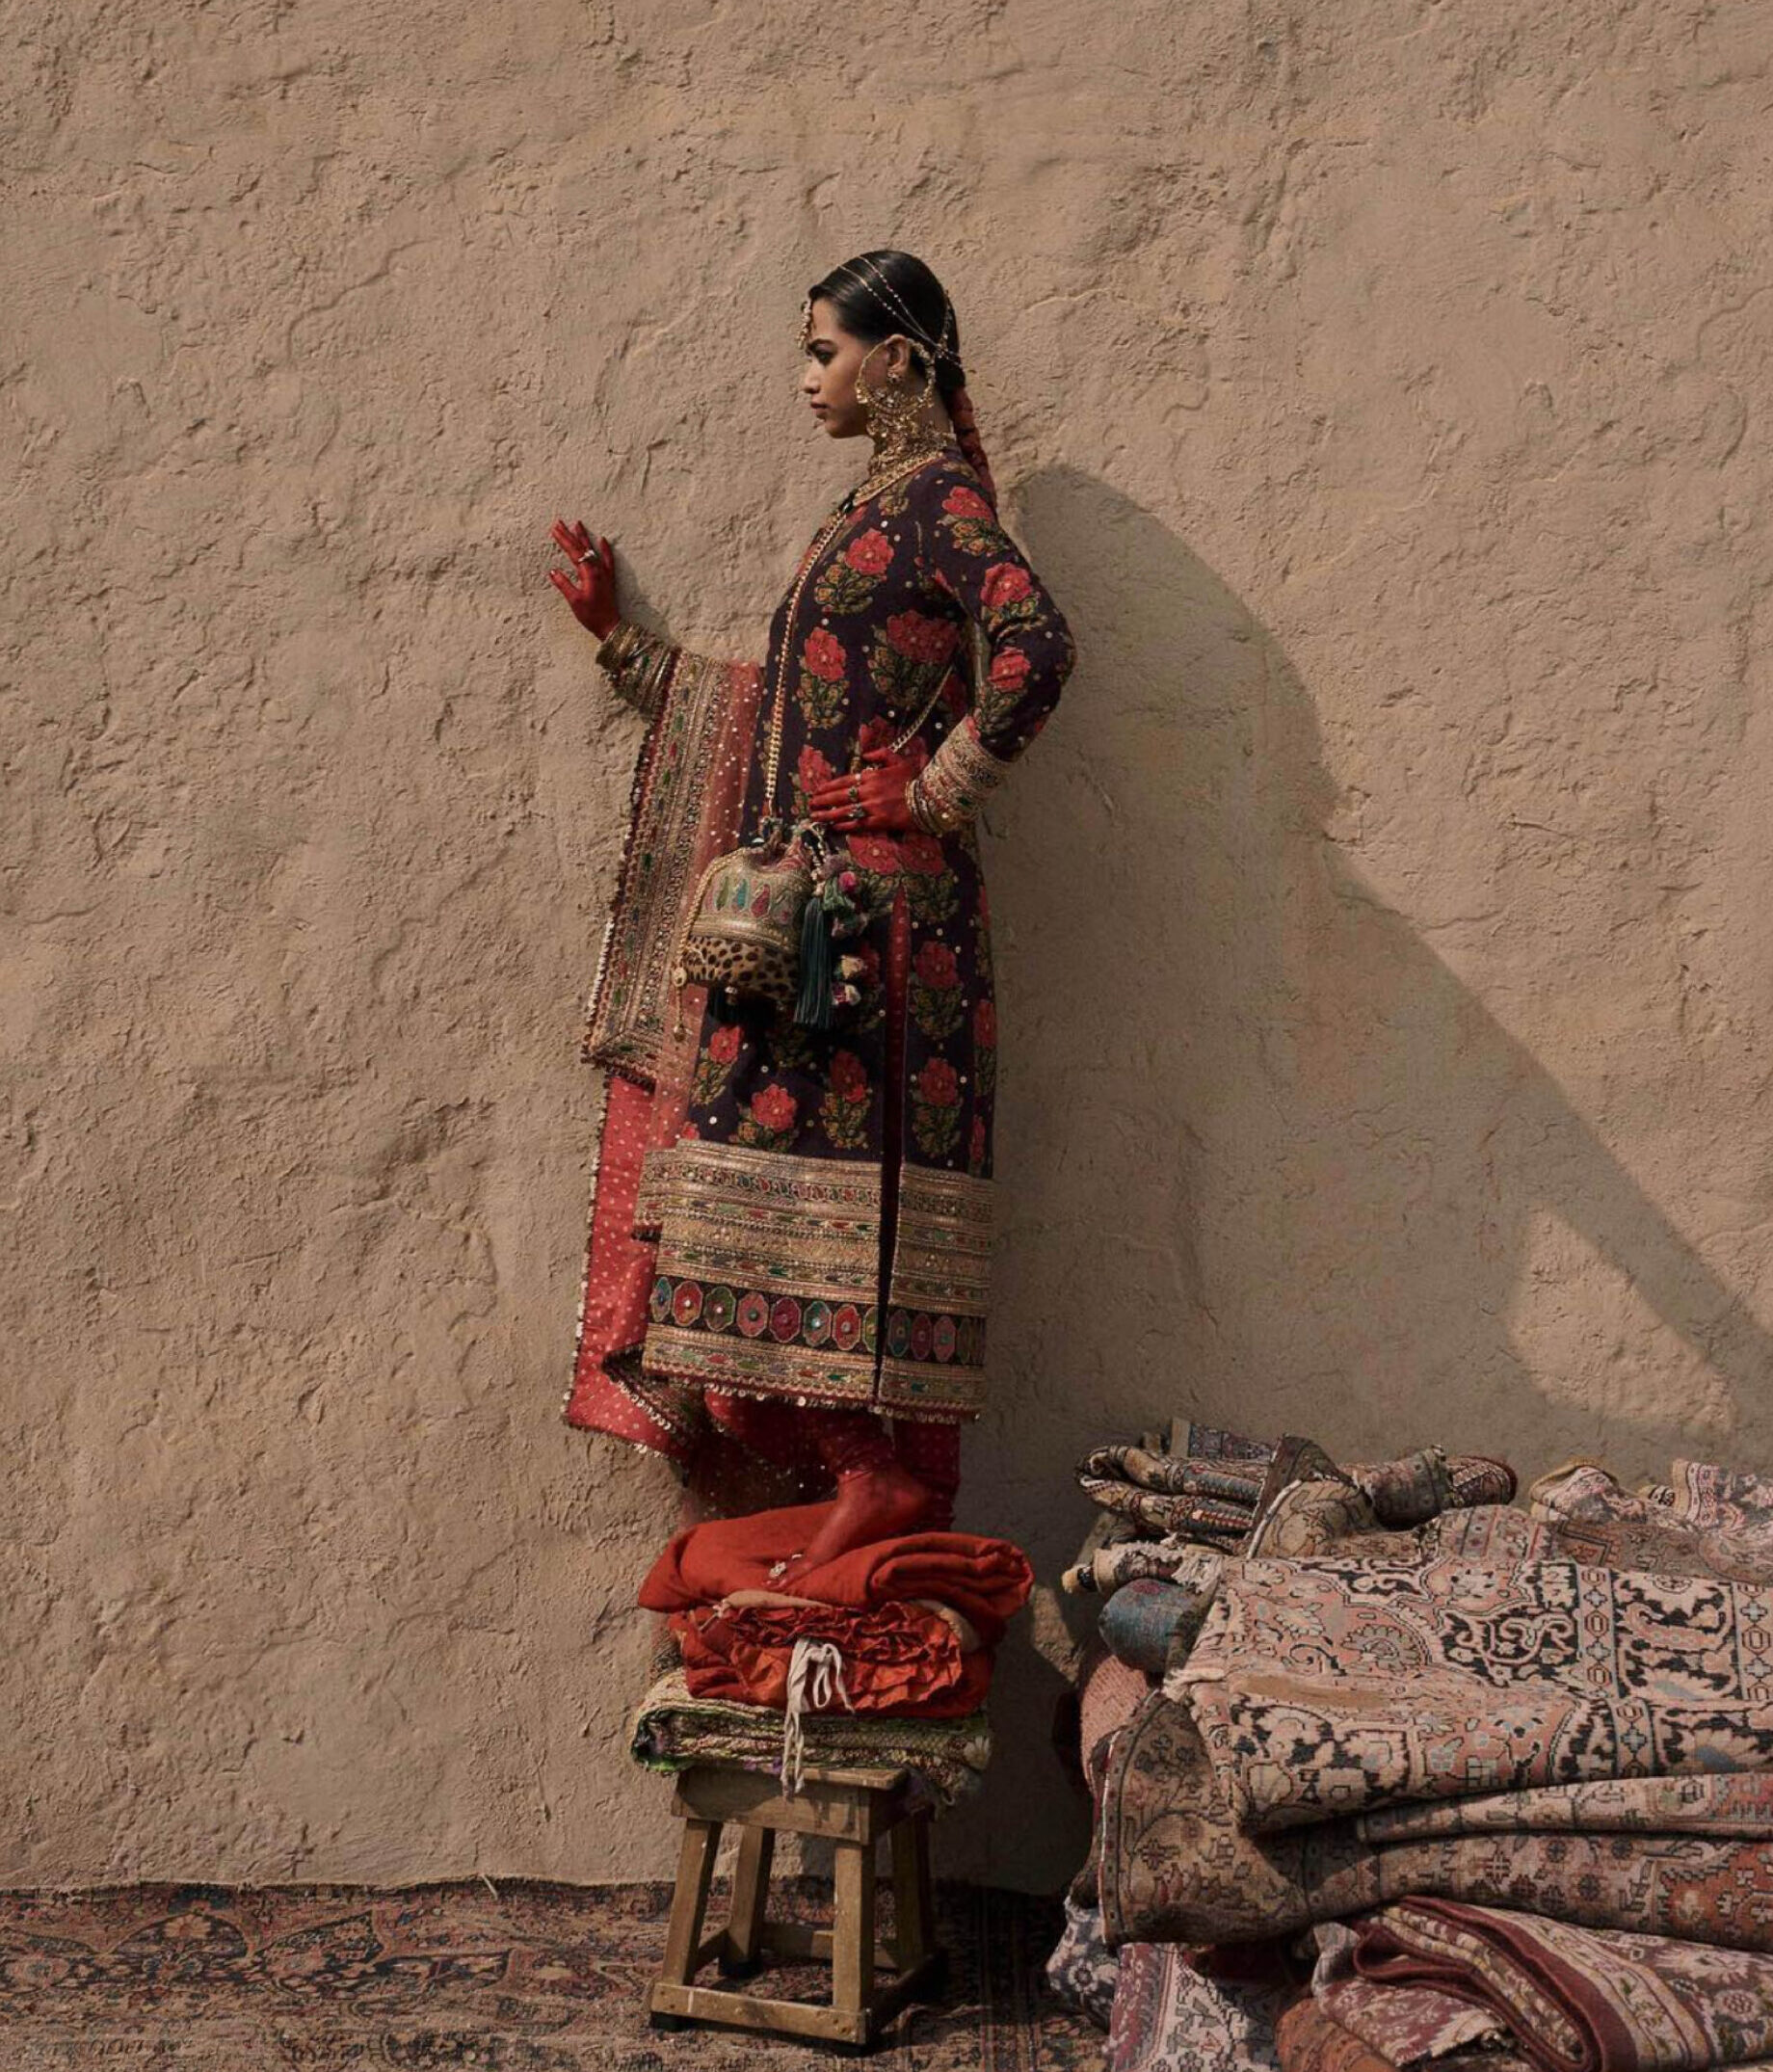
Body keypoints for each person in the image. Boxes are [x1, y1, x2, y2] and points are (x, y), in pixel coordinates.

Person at [553, 250, 1073, 1578]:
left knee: (821, 1184)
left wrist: (933, 786)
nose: (807, 380)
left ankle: (874, 1473)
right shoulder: (874, 514)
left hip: (879, 941)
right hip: (818, 936)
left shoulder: (942, 507)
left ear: (900, 358)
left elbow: (1038, 645)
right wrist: (626, 644)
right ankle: (858, 1470)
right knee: (753, 1176)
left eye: (825, 352)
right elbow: (781, 715)